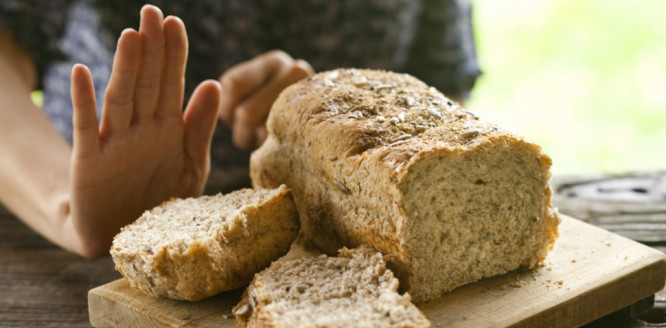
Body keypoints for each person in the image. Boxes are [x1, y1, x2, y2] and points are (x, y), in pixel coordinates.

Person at [0, 1, 480, 258]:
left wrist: (328, 116)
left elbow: (441, 92)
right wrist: (63, 203)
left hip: (335, 246)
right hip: (59, 236)